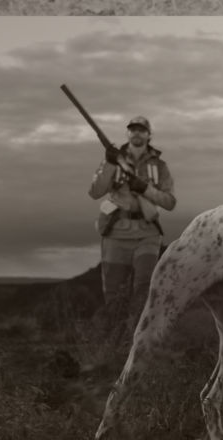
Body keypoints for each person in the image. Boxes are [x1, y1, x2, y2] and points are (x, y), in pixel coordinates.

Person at [88, 115, 175, 321]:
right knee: (114, 292)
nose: (137, 133)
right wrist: (109, 164)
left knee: (144, 288)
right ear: (128, 133)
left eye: (141, 129)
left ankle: (138, 337)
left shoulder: (159, 166)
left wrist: (145, 189)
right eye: (133, 129)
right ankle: (116, 343)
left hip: (147, 233)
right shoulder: (112, 160)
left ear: (149, 135)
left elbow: (169, 202)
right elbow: (95, 192)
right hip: (116, 233)